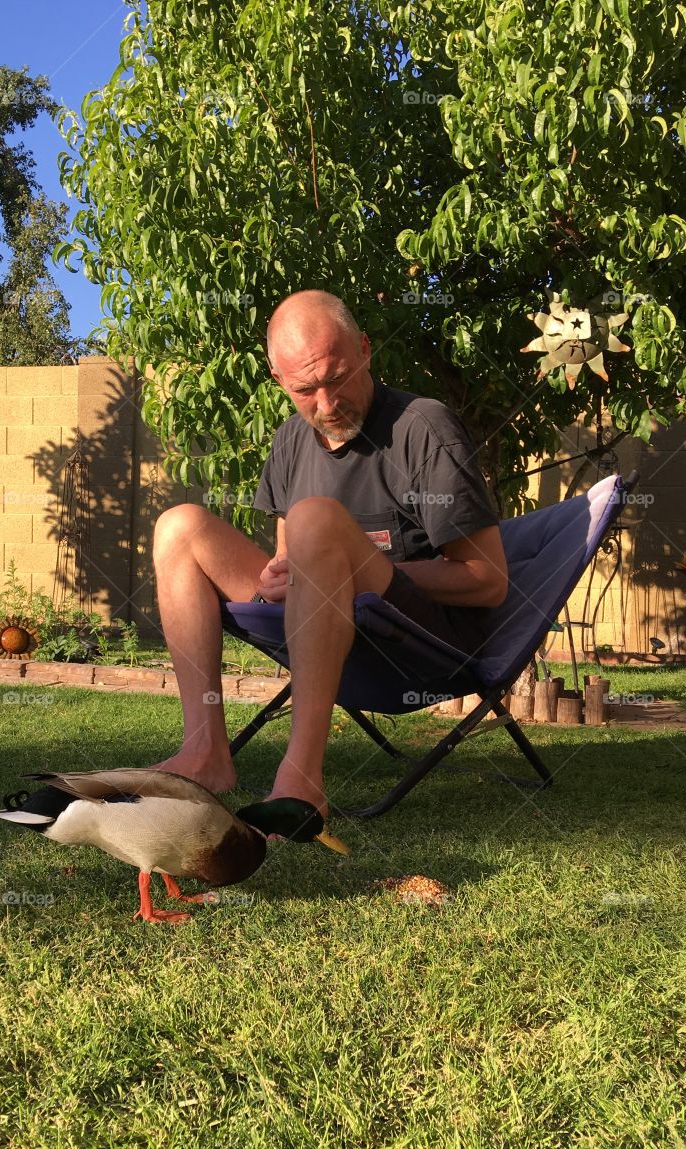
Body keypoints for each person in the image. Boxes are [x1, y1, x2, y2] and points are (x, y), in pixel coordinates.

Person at [150, 289, 507, 822]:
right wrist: (281, 577)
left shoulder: (423, 428)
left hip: (413, 643)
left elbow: (488, 580)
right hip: (321, 630)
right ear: (279, 382)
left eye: (337, 377)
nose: (326, 403)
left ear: (365, 349)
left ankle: (302, 779)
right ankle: (206, 753)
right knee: (178, 526)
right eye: (305, 389)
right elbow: (290, 560)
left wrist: (347, 570)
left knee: (315, 517)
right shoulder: (291, 441)